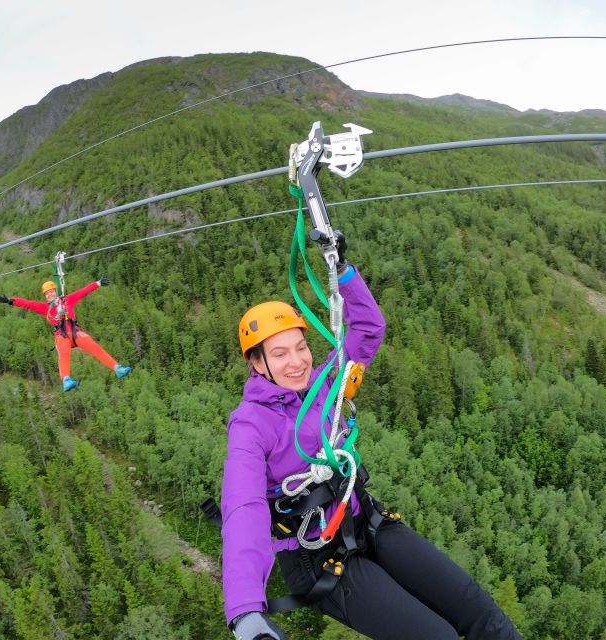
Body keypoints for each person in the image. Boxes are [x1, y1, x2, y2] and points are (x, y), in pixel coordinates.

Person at [222, 237, 522, 640]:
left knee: (481, 612)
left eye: (301, 347)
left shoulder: (324, 383)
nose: (297, 362)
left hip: (366, 520)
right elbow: (243, 508)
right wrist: (245, 611)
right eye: (279, 354)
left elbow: (367, 328)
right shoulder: (250, 425)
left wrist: (342, 271)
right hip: (317, 556)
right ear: (257, 363)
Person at [0, 277, 132, 391]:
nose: (49, 295)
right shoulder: (45, 308)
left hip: (75, 333)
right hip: (62, 335)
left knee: (92, 345)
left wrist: (98, 283)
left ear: (55, 292)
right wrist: (10, 300)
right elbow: (28, 304)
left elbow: (82, 292)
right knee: (64, 352)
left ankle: (117, 368)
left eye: (51, 292)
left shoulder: (67, 300)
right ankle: (66, 379)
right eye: (47, 293)